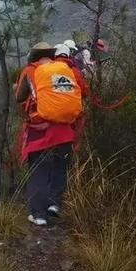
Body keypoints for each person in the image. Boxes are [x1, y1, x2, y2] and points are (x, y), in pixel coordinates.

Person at [14, 42, 89, 226]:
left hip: (40, 132)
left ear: (34, 56)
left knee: (39, 170)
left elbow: (19, 97)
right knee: (60, 166)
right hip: (65, 130)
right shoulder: (63, 69)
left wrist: (16, 86)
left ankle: (38, 215)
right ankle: (54, 204)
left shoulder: (31, 70)